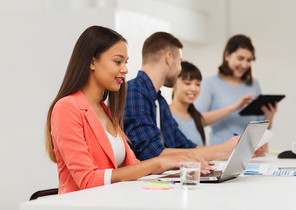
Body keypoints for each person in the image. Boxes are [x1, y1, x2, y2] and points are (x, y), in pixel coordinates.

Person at [44, 26, 210, 194]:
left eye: (126, 62)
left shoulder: (106, 111)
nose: (125, 69)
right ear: (92, 62)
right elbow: (88, 179)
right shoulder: (67, 107)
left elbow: (134, 168)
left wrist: (178, 170)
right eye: (118, 61)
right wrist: (160, 162)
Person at [123, 31, 253, 162]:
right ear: (168, 58)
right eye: (179, 62)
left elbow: (184, 145)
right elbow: (152, 153)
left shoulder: (159, 100)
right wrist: (219, 151)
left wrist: (231, 150)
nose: (180, 69)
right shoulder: (134, 92)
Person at [195, 34, 277, 145]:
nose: (244, 65)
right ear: (227, 55)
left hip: (250, 154)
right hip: (220, 156)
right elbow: (196, 121)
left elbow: (259, 127)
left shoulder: (254, 84)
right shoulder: (209, 83)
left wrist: (269, 116)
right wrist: (232, 108)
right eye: (240, 58)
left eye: (249, 60)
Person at [170, 61, 206, 145]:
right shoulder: (166, 115)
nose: (193, 89)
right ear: (173, 84)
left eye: (197, 84)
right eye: (187, 83)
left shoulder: (196, 117)